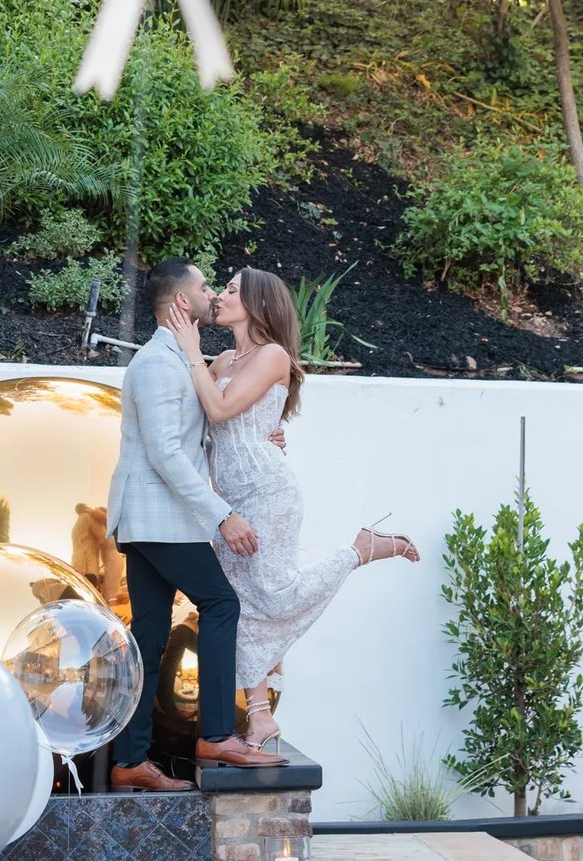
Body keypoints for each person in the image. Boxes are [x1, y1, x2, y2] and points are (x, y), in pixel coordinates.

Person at [169, 267, 417, 756]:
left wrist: (191, 351)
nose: (220, 296)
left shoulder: (272, 355)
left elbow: (220, 410)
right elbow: (201, 423)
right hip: (228, 502)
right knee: (235, 605)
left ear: (256, 304)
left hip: (269, 492)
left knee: (275, 596)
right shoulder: (222, 360)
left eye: (232, 290)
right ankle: (260, 716)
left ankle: (359, 550)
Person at [108, 260, 274, 790]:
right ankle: (218, 734)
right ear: (182, 302)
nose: (212, 293)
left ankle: (130, 761)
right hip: (158, 518)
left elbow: (199, 433)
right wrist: (222, 515)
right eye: (205, 287)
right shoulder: (158, 363)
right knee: (222, 604)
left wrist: (262, 439)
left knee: (149, 636)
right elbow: (164, 454)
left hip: (153, 518)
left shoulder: (181, 356)